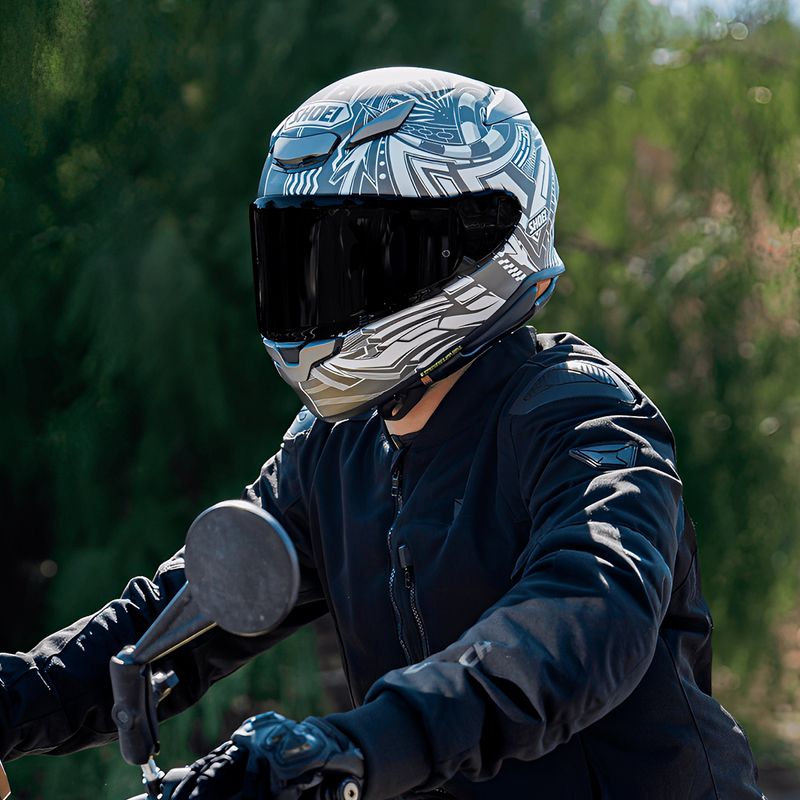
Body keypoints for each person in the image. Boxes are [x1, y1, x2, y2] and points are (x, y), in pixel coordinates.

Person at [0, 67, 764, 800]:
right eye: (300, 259)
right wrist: (14, 699)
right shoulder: (333, 448)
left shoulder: (580, 413)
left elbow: (591, 609)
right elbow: (188, 607)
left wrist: (348, 751)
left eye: (354, 260)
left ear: (477, 242)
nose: (317, 291)